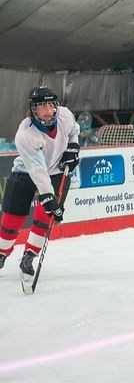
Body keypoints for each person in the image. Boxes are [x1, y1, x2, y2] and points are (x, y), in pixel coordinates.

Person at [0, 87, 80, 291]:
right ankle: (2, 252)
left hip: (56, 173)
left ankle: (29, 257)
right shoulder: (25, 134)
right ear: (33, 110)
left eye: (50, 105)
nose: (46, 110)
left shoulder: (65, 116)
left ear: (56, 106)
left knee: (46, 217)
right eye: (40, 106)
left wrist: (73, 146)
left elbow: (74, 131)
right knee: (13, 216)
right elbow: (37, 171)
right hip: (26, 172)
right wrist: (48, 196)